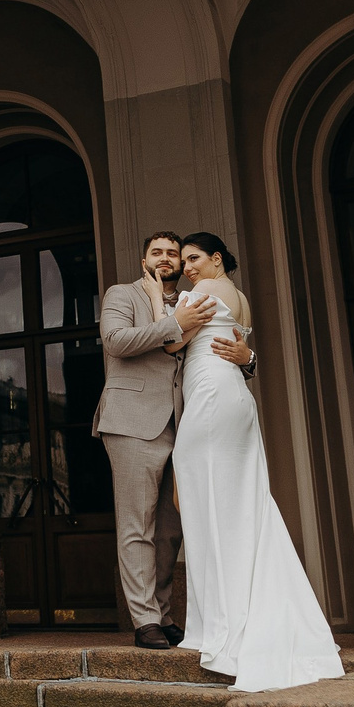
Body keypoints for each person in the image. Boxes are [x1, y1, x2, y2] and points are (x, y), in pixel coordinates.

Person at [169, 232, 344, 692]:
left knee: (209, 505)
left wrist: (155, 293)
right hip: (232, 397)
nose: (187, 266)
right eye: (184, 260)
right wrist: (249, 359)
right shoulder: (240, 298)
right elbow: (238, 349)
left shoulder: (203, 291)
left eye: (194, 258)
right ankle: (239, 616)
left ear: (216, 258)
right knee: (241, 506)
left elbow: (171, 342)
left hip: (210, 400)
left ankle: (226, 629)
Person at [97, 230, 248, 650]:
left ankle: (163, 614)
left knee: (170, 529)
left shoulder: (193, 298)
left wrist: (247, 360)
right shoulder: (122, 294)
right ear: (144, 259)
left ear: (182, 263)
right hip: (132, 421)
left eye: (172, 254)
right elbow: (115, 341)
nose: (165, 259)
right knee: (137, 526)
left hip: (186, 425)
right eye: (156, 252)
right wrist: (172, 326)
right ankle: (143, 619)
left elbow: (221, 347)